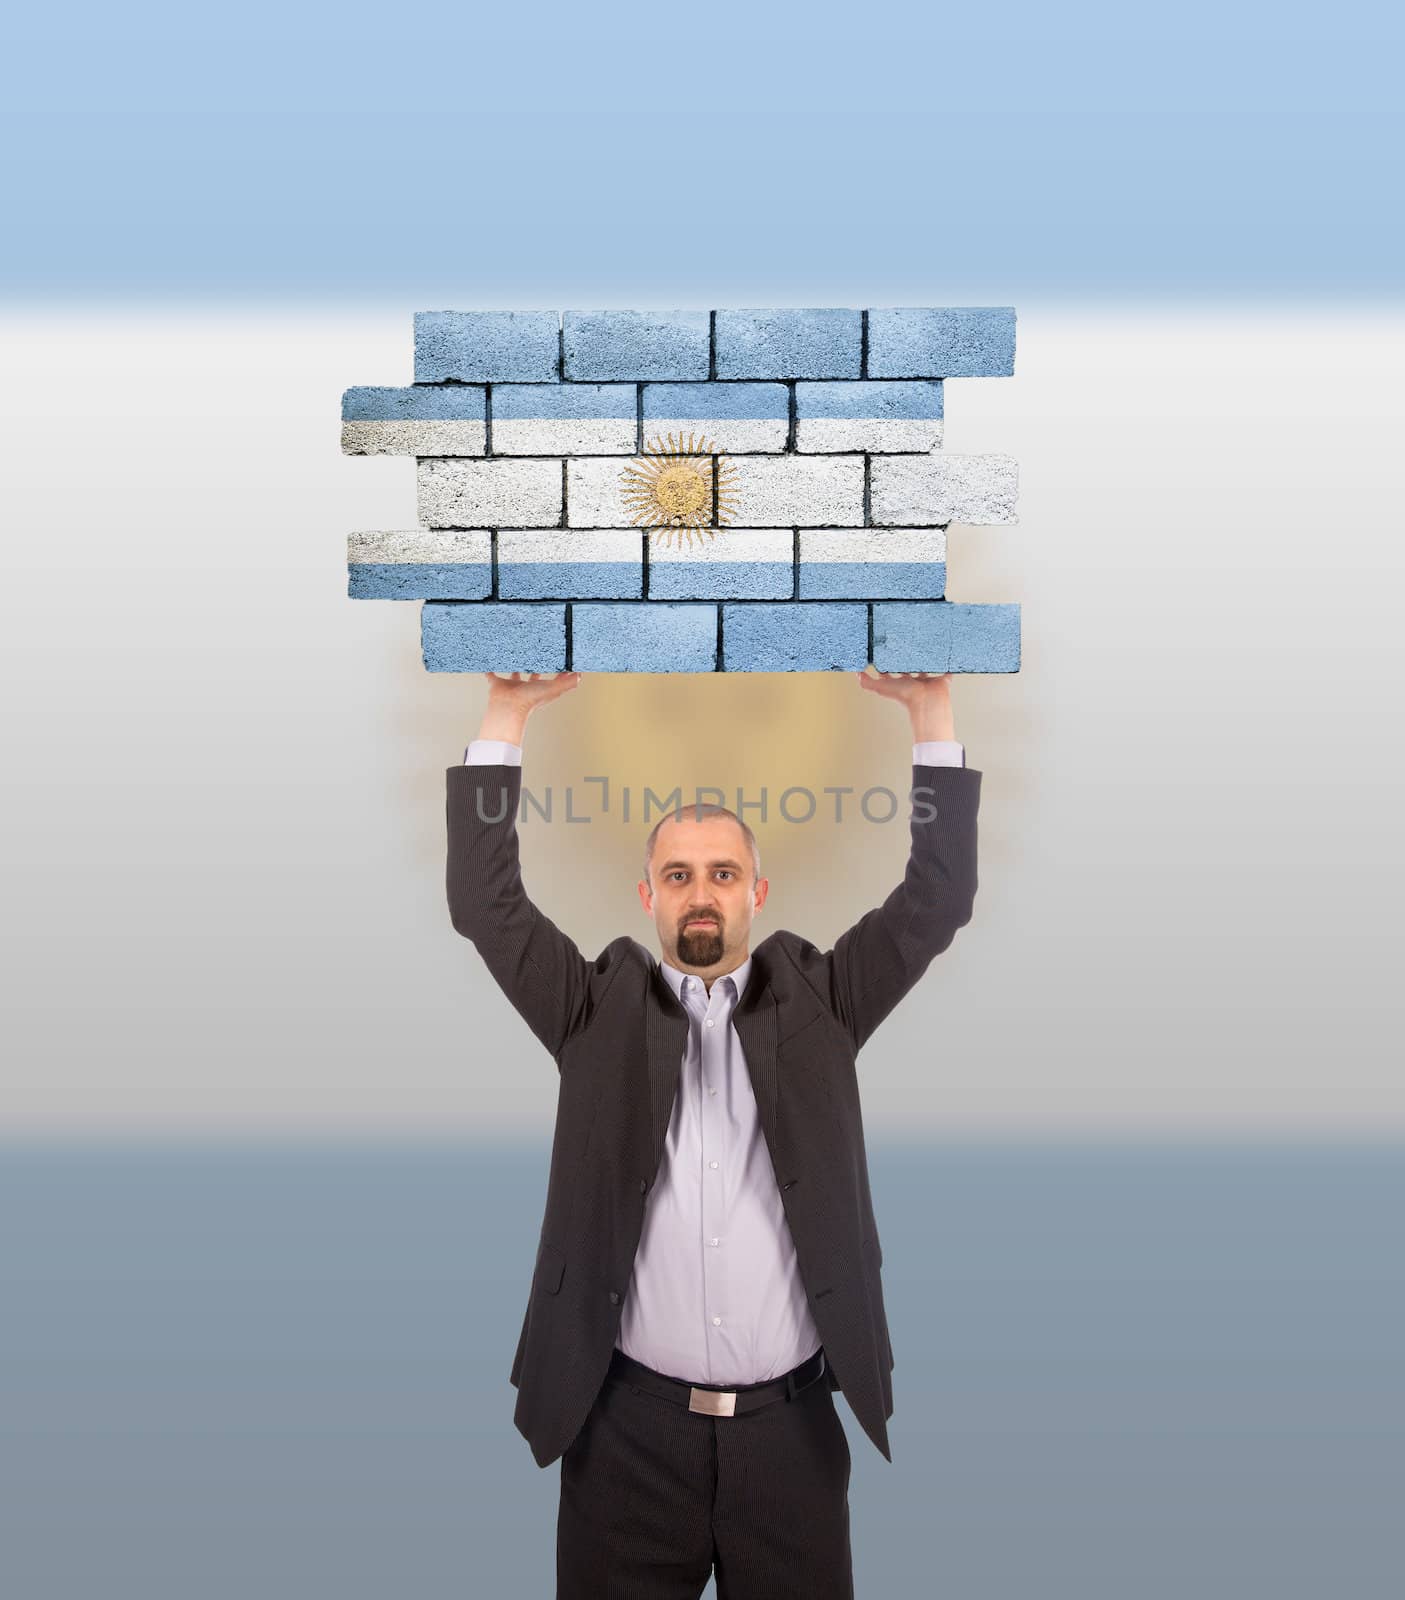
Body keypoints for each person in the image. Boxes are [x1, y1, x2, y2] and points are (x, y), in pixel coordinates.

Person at [447, 667, 982, 1598]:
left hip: (793, 1441)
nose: (703, 894)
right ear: (646, 894)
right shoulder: (590, 1009)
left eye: (723, 875)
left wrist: (928, 711)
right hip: (623, 1439)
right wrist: (507, 712)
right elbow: (484, 906)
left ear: (758, 893)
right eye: (680, 876)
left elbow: (935, 901)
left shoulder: (825, 998)